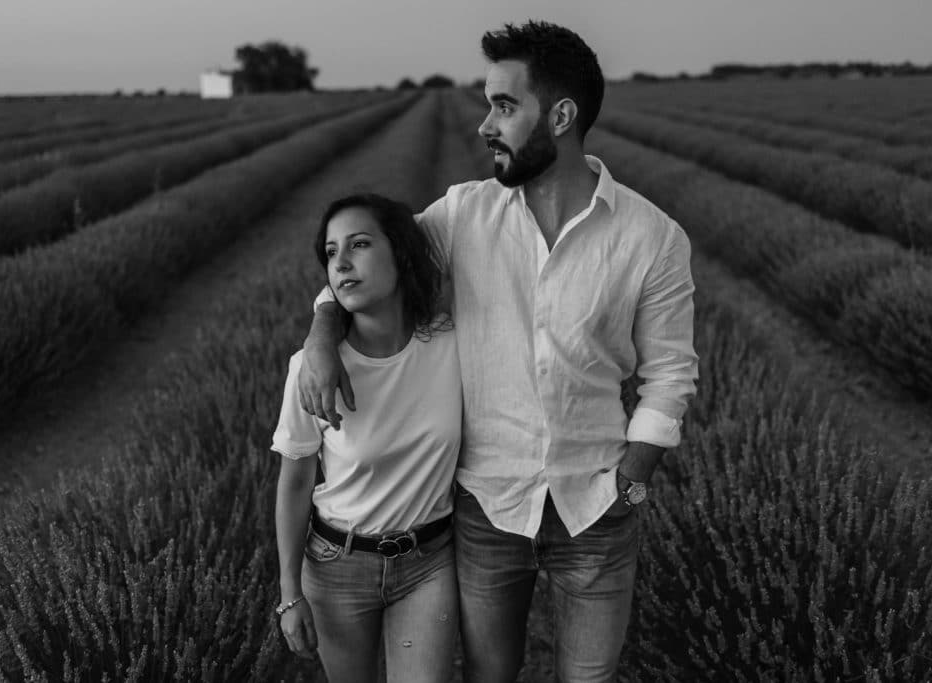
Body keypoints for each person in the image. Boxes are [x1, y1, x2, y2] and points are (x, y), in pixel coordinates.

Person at [298, 21, 698, 683]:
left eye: (505, 106)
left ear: (562, 116)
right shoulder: (462, 215)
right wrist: (321, 334)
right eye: (489, 105)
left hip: (596, 504)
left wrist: (633, 476)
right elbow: (363, 272)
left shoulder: (651, 237)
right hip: (488, 506)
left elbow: (671, 372)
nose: (486, 124)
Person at [271, 193, 461, 683]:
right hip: (338, 566)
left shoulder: (452, 346)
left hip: (428, 562)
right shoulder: (310, 371)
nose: (342, 263)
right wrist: (289, 593)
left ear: (400, 251)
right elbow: (294, 484)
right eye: (331, 253)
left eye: (359, 245)